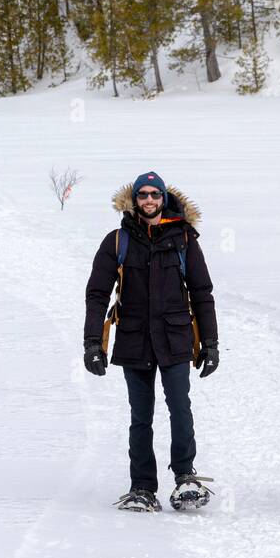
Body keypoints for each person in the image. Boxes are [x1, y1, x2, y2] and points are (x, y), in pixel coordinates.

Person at [83, 171, 219, 512]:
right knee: (140, 416)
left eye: (154, 195)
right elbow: (97, 294)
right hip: (133, 339)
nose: (148, 200)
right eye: (142, 194)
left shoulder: (184, 239)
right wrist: (92, 344)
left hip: (175, 338)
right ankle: (142, 486)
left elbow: (202, 293)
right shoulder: (118, 240)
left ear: (163, 198)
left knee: (179, 408)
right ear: (134, 199)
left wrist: (211, 343)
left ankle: (186, 476)